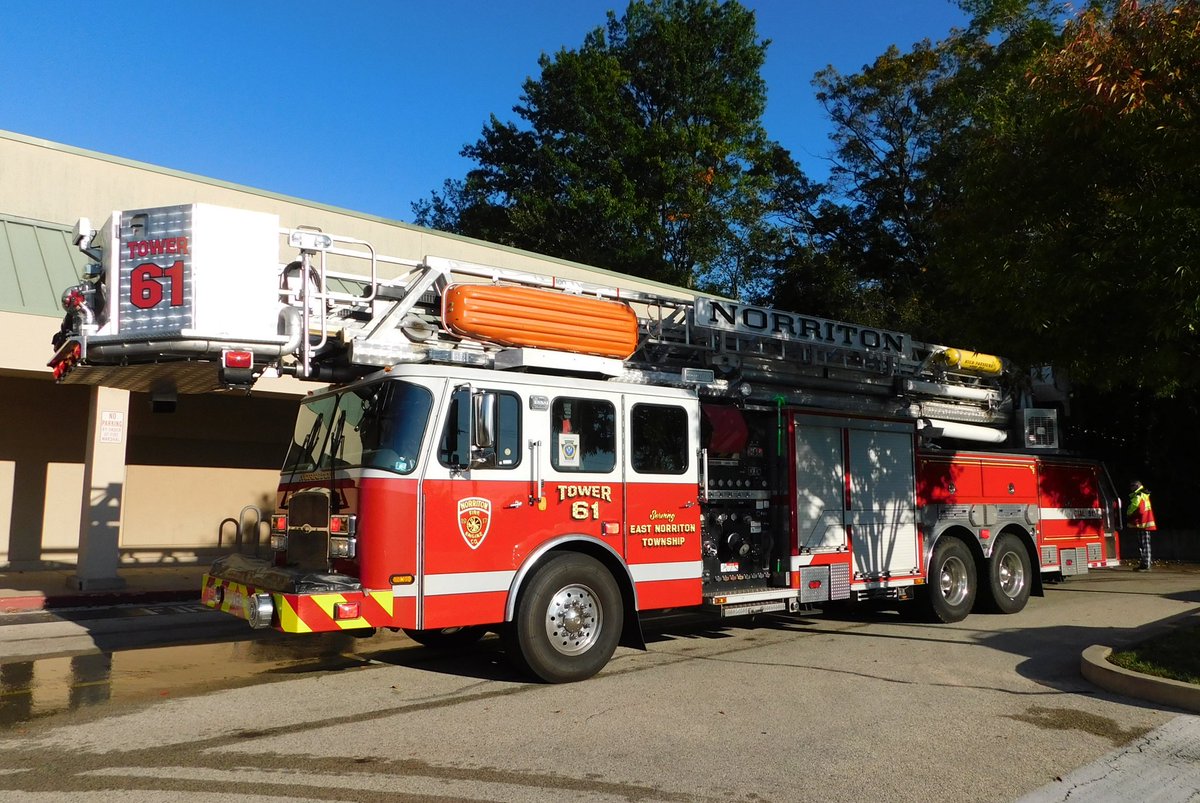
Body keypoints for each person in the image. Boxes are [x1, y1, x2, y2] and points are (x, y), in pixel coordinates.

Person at [1126, 480, 1157, 571]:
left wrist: (1128, 512)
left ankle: (1146, 564)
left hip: (1143, 523)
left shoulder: (1139, 495)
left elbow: (1135, 507)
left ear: (1136, 486)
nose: (1130, 488)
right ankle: (1144, 563)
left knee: (1144, 544)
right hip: (1144, 522)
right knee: (1143, 544)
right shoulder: (1143, 494)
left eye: (1132, 486)